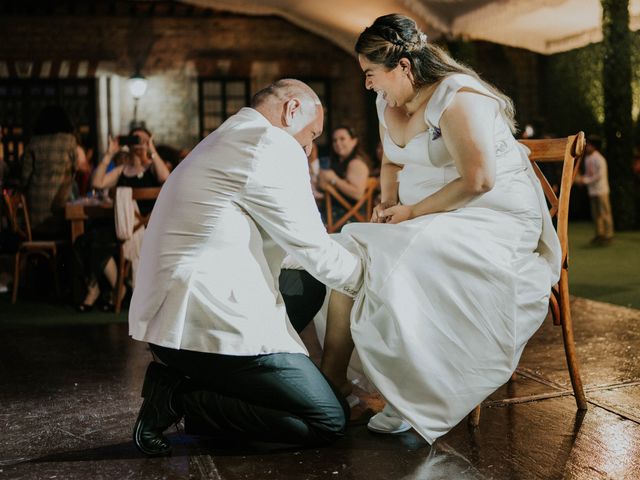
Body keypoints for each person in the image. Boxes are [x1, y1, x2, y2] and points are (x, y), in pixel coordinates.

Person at [316, 14, 562, 444]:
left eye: (372, 75)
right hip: (427, 209)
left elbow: (479, 180)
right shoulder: (386, 103)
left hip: (492, 215)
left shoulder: (459, 98)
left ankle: (409, 393)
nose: (369, 85)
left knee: (402, 256)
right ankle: (329, 386)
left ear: (404, 68)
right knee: (350, 251)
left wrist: (411, 214)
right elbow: (391, 160)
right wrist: (389, 203)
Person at [128, 79, 363, 456]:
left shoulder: (230, 135)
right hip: (199, 323)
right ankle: (180, 396)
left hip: (172, 322)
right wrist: (371, 277)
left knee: (309, 284)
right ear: (291, 111)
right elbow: (314, 248)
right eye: (312, 133)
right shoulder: (270, 145)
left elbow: (292, 252)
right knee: (327, 420)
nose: (310, 147)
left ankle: (205, 397)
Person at [73, 131, 170, 311]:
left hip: (145, 229)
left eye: (141, 138)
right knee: (85, 240)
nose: (137, 142)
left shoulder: (151, 168)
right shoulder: (122, 170)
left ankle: (103, 291)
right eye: (134, 138)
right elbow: (97, 183)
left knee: (97, 241)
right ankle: (117, 287)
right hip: (123, 227)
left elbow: (165, 178)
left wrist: (151, 150)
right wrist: (110, 153)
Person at [21, 105, 91, 238]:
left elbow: (24, 178)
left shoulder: (33, 143)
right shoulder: (69, 140)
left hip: (34, 218)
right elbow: (77, 167)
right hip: (61, 214)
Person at [575, 135, 614, 246]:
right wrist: (582, 179)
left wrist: (584, 181)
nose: (587, 147)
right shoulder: (588, 158)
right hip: (593, 191)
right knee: (596, 214)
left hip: (601, 191)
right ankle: (599, 234)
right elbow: (589, 174)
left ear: (594, 147)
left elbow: (598, 176)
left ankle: (608, 235)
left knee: (605, 213)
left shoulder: (599, 159)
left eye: (589, 145)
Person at [318, 125, 371, 201]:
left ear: (354, 141)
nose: (338, 143)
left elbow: (357, 194)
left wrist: (333, 179)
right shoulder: (337, 161)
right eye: (334, 140)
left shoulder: (356, 163)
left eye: (342, 139)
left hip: (343, 212)